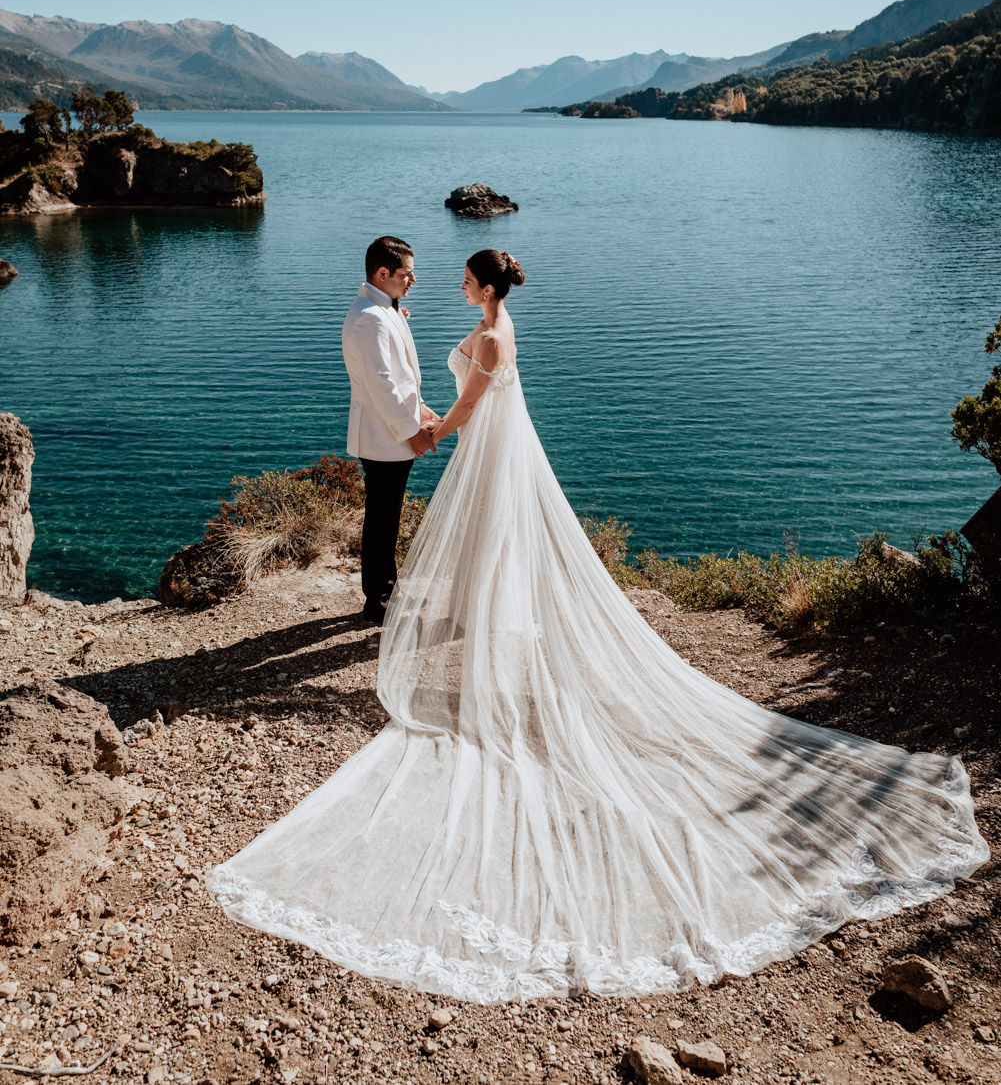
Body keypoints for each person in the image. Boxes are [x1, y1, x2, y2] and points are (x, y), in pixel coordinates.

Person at [206, 249, 988, 1004]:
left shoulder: (485, 333)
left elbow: (475, 401)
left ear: (484, 286)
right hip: (498, 449)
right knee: (494, 537)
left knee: (482, 535)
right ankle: (490, 616)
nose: (452, 282)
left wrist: (433, 432)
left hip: (481, 445)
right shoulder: (495, 326)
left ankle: (485, 622)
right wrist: (440, 424)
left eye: (465, 276)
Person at [340, 235, 439, 625]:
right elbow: (382, 386)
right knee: (382, 519)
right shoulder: (370, 319)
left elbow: (401, 379)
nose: (412, 280)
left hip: (391, 434)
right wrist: (412, 432)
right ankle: (378, 601)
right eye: (405, 273)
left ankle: (386, 590)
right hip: (383, 439)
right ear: (382, 274)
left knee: (387, 516)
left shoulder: (383, 308)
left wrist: (423, 411)